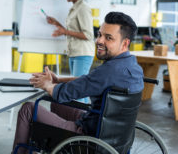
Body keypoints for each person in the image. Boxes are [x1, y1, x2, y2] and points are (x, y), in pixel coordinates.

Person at [12, 12, 144, 154]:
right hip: (110, 133)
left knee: (29, 109)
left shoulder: (108, 71)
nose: (99, 41)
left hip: (88, 137)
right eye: (99, 34)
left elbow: (63, 93)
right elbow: (90, 81)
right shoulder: (133, 66)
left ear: (125, 43)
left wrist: (47, 85)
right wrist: (59, 80)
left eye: (108, 38)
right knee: (56, 104)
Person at [46, 0, 95, 103]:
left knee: (79, 90)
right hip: (74, 53)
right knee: (78, 89)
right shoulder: (75, 8)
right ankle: (83, 118)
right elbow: (71, 30)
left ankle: (83, 119)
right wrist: (56, 23)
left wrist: (64, 32)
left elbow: (88, 35)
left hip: (83, 53)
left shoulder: (83, 8)